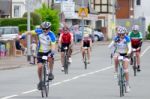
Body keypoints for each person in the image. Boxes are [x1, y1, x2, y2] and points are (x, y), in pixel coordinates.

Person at [108, 26, 132, 92]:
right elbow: (110, 45)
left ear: (125, 34)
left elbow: (129, 47)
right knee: (115, 57)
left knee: (126, 70)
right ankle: (116, 70)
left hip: (125, 54)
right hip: (118, 53)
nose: (121, 36)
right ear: (118, 34)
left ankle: (127, 85)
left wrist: (129, 52)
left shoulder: (127, 38)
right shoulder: (116, 38)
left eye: (123, 34)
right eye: (120, 34)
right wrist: (111, 45)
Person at [34, 21, 56, 90]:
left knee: (51, 59)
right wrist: (22, 35)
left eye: (47, 29)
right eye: (43, 29)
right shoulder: (39, 31)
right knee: (40, 67)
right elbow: (30, 32)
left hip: (48, 51)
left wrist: (52, 52)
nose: (45, 30)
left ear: (49, 28)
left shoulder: (52, 35)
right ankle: (40, 81)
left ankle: (50, 73)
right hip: (40, 52)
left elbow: (53, 45)